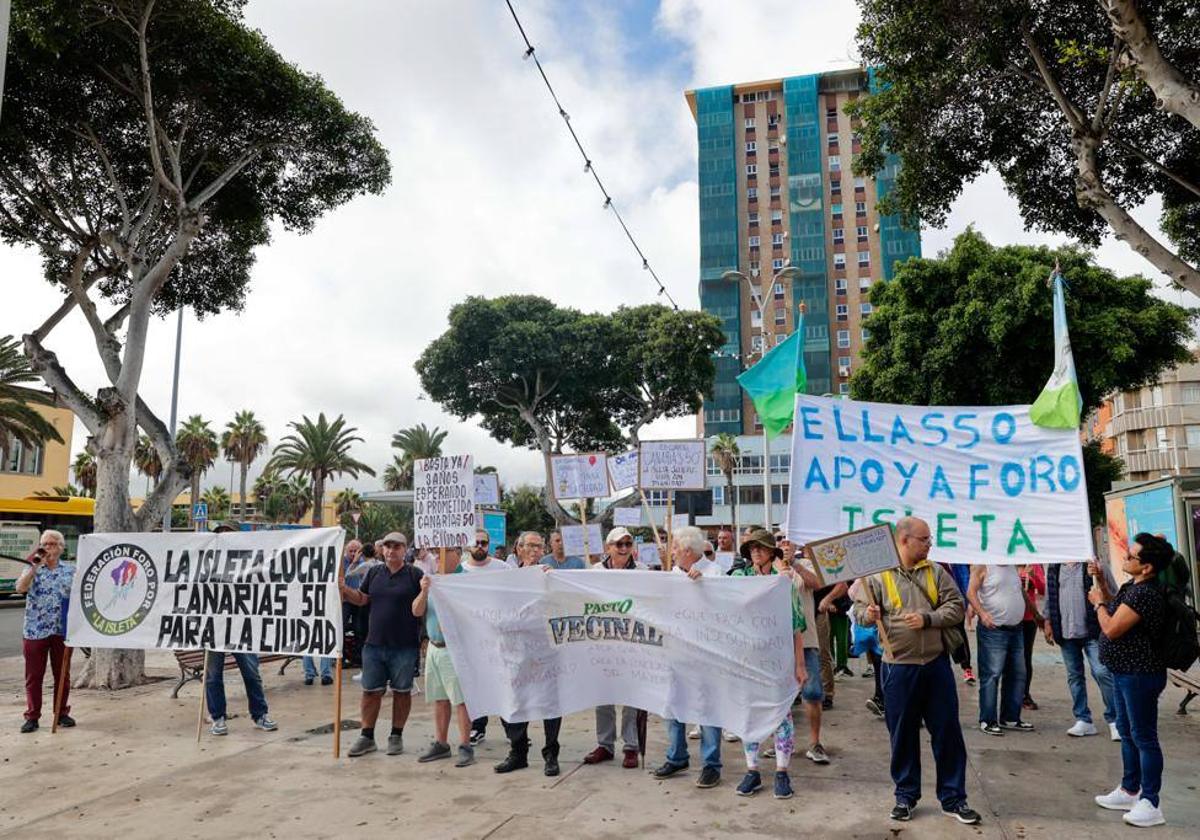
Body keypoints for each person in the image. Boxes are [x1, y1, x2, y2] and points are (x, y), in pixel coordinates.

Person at [852, 517, 980, 825]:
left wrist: (928, 619)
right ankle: (905, 796)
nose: (929, 544)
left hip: (935, 665)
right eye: (924, 539)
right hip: (897, 669)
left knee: (947, 732)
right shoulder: (876, 577)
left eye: (929, 539)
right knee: (902, 734)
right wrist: (868, 615)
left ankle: (953, 798)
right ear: (904, 540)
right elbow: (857, 612)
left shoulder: (936, 571)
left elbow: (956, 606)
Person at [1091, 534, 1173, 828]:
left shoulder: (1146, 594)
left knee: (1144, 737)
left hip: (1140, 675)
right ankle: (1129, 789)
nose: (1125, 558)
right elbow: (1116, 607)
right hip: (1124, 672)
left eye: (1131, 556)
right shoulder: (1132, 587)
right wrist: (1100, 581)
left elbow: (1112, 627)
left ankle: (1150, 801)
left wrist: (1098, 605)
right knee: (1127, 732)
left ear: (1147, 567)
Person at [729, 529, 808, 800]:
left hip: (779, 660)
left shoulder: (784, 582)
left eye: (760, 548)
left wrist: (800, 665)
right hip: (748, 661)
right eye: (751, 548)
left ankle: (782, 771)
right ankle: (752, 771)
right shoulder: (739, 578)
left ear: (771, 553)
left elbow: (797, 627)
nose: (755, 552)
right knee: (749, 714)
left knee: (781, 714)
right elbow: (718, 599)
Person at [340, 531, 423, 757]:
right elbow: (362, 598)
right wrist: (344, 590)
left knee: (402, 692)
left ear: (404, 550)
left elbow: (422, 607)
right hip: (374, 644)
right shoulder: (374, 572)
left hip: (404, 645)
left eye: (396, 546)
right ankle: (367, 736)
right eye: (387, 546)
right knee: (370, 691)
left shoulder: (415, 575)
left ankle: (396, 735)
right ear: (382, 549)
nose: (391, 550)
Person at [652, 526, 723, 788]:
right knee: (673, 705)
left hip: (706, 654)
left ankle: (711, 764)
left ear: (688, 552)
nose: (671, 551)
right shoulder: (671, 575)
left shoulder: (713, 573)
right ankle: (677, 755)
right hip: (675, 651)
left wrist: (706, 586)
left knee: (707, 708)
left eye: (675, 547)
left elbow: (726, 605)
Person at [496, 531, 562, 776]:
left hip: (546, 651)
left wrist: (550, 582)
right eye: (530, 546)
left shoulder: (550, 574)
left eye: (539, 546)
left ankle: (551, 754)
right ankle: (518, 751)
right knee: (514, 701)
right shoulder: (509, 578)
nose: (535, 550)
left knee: (549, 703)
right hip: (516, 650)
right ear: (519, 548)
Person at [204, 522, 276, 736]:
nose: (225, 537)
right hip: (213, 627)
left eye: (229, 533)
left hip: (241, 626)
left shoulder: (249, 561)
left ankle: (260, 714)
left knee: (251, 672)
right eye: (221, 534)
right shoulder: (206, 562)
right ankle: (217, 717)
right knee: (213, 675)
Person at [583, 527, 644, 769]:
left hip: (632, 641)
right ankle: (605, 745)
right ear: (608, 547)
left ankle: (631, 746)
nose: (624, 548)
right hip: (603, 641)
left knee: (632, 696)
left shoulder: (643, 572)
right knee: (603, 694)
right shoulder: (594, 572)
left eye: (628, 544)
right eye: (619, 544)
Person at [412, 546, 475, 768]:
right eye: (437, 553)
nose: (438, 556)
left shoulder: (466, 581)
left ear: (457, 554)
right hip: (434, 647)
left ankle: (466, 744)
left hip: (455, 648)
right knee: (439, 698)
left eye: (444, 552)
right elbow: (416, 611)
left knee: (460, 700)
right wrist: (424, 591)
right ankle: (441, 742)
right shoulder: (431, 579)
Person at [1045, 559, 1119, 740]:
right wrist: (1047, 621)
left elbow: (1114, 595)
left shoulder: (1095, 565)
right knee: (1074, 676)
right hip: (1066, 631)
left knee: (1102, 672)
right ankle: (1083, 719)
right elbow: (1051, 596)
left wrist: (1099, 576)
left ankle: (1116, 719)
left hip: (1092, 631)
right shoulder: (1054, 567)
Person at [17, 529, 75, 733]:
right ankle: (32, 716)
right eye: (44, 544)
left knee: (62, 674)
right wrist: (33, 568)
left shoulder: (70, 571)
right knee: (34, 675)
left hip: (61, 631)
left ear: (61, 547)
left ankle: (61, 713)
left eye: (52, 544)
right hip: (35, 630)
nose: (47, 548)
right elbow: (20, 588)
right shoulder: (32, 567)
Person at [967, 563, 1034, 736]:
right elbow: (971, 592)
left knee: (1018, 674)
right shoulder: (982, 565)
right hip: (993, 630)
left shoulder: (1012, 566)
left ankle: (1010, 717)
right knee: (992, 674)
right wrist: (982, 613)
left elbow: (1020, 592)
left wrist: (1036, 615)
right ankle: (987, 719)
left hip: (1015, 628)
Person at [463, 529, 511, 744]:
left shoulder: (503, 568)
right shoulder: (459, 571)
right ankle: (478, 727)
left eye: (484, 543)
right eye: (476, 543)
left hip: (499, 637)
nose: (480, 546)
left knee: (503, 684)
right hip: (471, 638)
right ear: (468, 546)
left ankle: (513, 731)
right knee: (477, 683)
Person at [942, 562, 976, 684]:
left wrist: (970, 603)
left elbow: (965, 580)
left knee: (959, 635)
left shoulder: (957, 563)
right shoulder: (933, 563)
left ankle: (966, 667)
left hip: (956, 605)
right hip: (937, 607)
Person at [1018, 564, 1046, 710]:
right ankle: (1012, 694)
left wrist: (1034, 577)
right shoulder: (1005, 561)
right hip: (1009, 619)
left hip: (1029, 619)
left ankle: (1024, 694)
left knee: (1025, 658)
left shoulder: (1034, 565)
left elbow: (1043, 589)